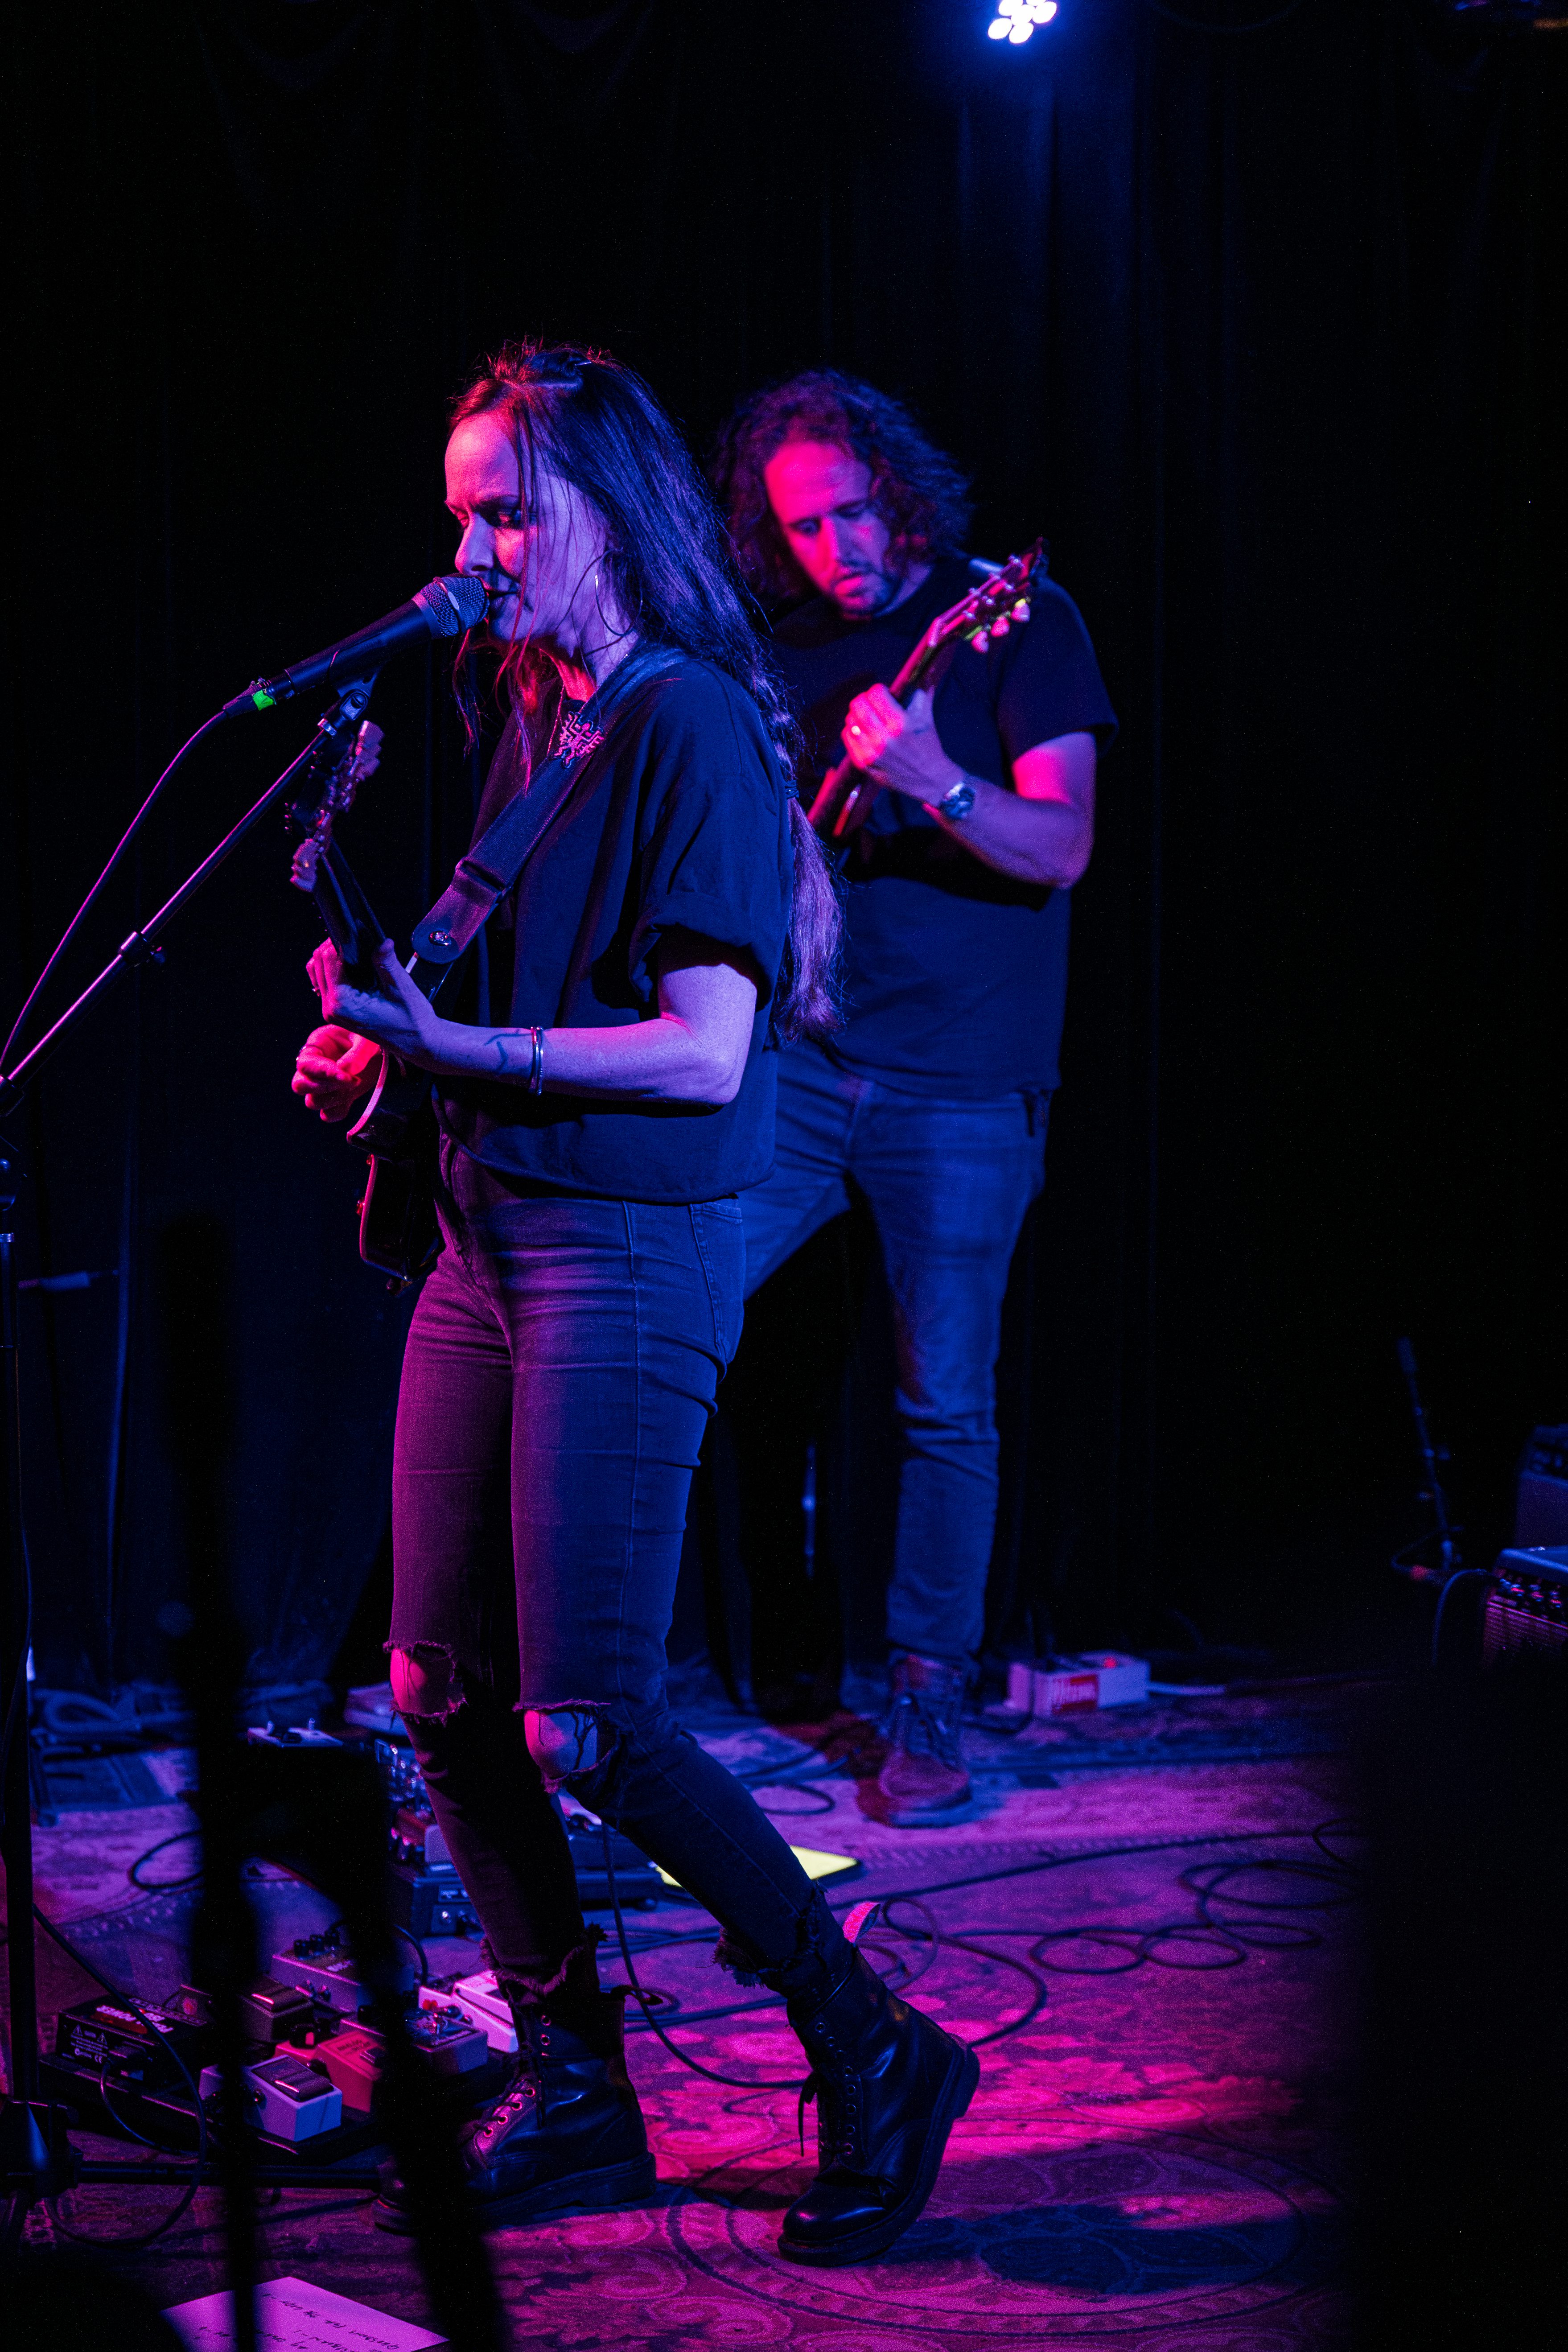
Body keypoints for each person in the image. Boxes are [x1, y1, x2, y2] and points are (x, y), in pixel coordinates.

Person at [291, 344, 976, 2260]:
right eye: (457, 511)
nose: (473, 546)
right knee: (441, 1691)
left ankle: (872, 2046)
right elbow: (512, 999)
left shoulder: (684, 721)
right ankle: (584, 2092)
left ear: (609, 509)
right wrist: (394, 1062)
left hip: (624, 1244)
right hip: (488, 1239)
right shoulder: (544, 708)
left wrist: (456, 1040)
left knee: (588, 1716)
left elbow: (697, 1052)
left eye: (507, 509)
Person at [712, 371, 1117, 1827]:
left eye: (853, 511)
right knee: (672, 1311)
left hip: (963, 1084)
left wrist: (936, 779)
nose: (836, 548)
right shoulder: (788, 654)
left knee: (942, 1398)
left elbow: (1061, 844)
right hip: (810, 1066)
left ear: (901, 488)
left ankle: (927, 1692)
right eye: (802, 527)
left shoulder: (1019, 624)